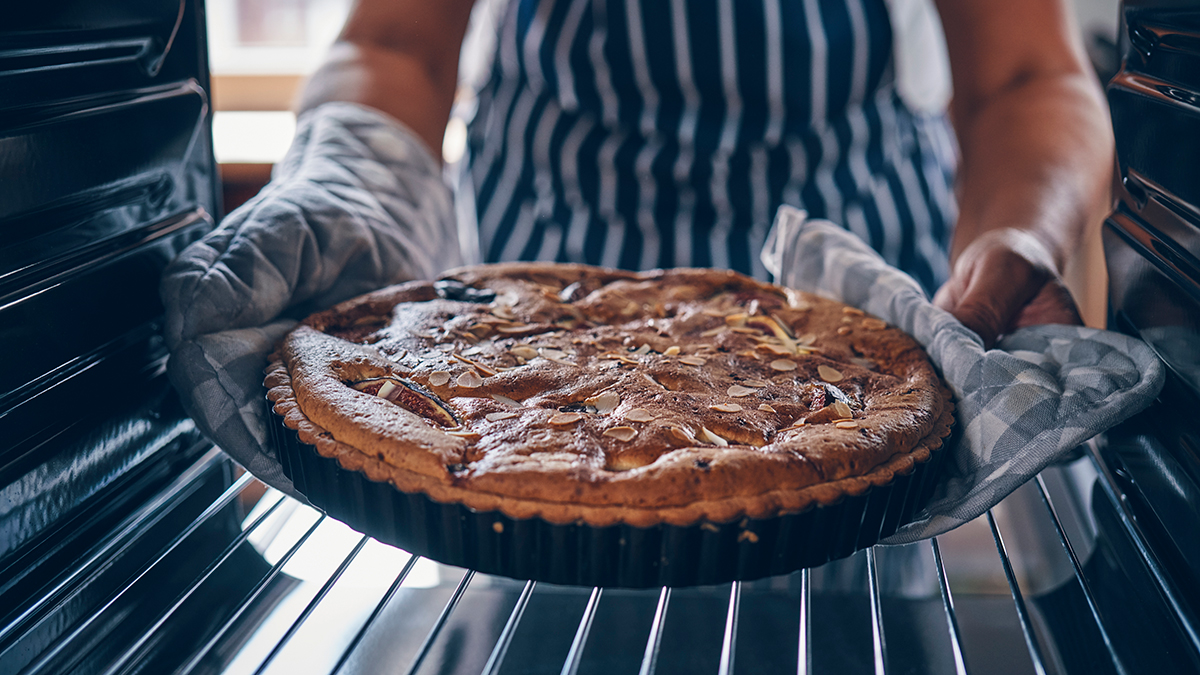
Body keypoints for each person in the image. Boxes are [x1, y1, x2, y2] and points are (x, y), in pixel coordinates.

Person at [161, 0, 1111, 496]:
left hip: (848, 329)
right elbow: (398, 45)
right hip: (529, 366)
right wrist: (349, 179)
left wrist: (1019, 231)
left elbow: (1026, 75)